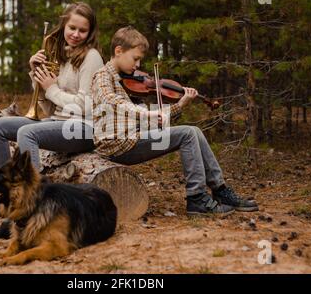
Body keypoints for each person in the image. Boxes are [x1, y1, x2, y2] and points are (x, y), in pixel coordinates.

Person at [91, 26, 258, 215]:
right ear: (118, 51)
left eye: (140, 60)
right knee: (187, 134)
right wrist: (147, 113)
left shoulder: (123, 80)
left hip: (130, 139)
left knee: (193, 131)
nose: (137, 65)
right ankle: (196, 198)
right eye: (135, 58)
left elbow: (148, 121)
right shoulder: (102, 77)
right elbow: (112, 101)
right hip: (115, 146)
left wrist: (181, 103)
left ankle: (220, 190)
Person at [0, 2, 104, 220]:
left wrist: (51, 88)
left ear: (90, 32)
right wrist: (37, 77)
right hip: (58, 122)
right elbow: (49, 108)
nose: (76, 34)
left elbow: (84, 107)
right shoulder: (60, 55)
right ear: (64, 25)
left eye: (83, 30)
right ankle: (3, 196)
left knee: (27, 133)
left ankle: (35, 204)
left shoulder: (91, 57)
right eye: (72, 28)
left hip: (84, 128)